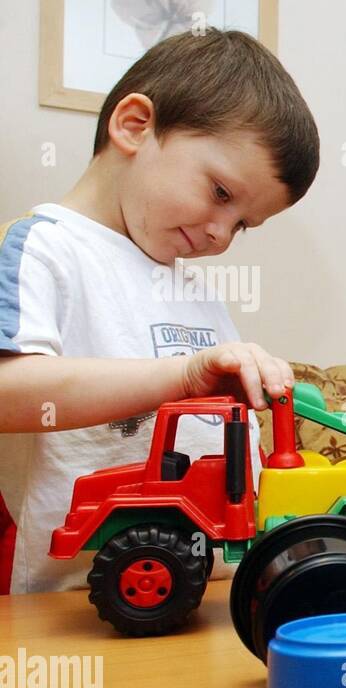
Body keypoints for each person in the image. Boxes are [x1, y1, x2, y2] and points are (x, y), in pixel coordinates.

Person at [0, 29, 318, 593]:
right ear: (134, 126)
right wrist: (181, 376)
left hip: (211, 587)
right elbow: (8, 392)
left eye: (243, 224)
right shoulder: (43, 248)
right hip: (78, 598)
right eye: (221, 193)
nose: (222, 234)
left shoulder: (194, 290)